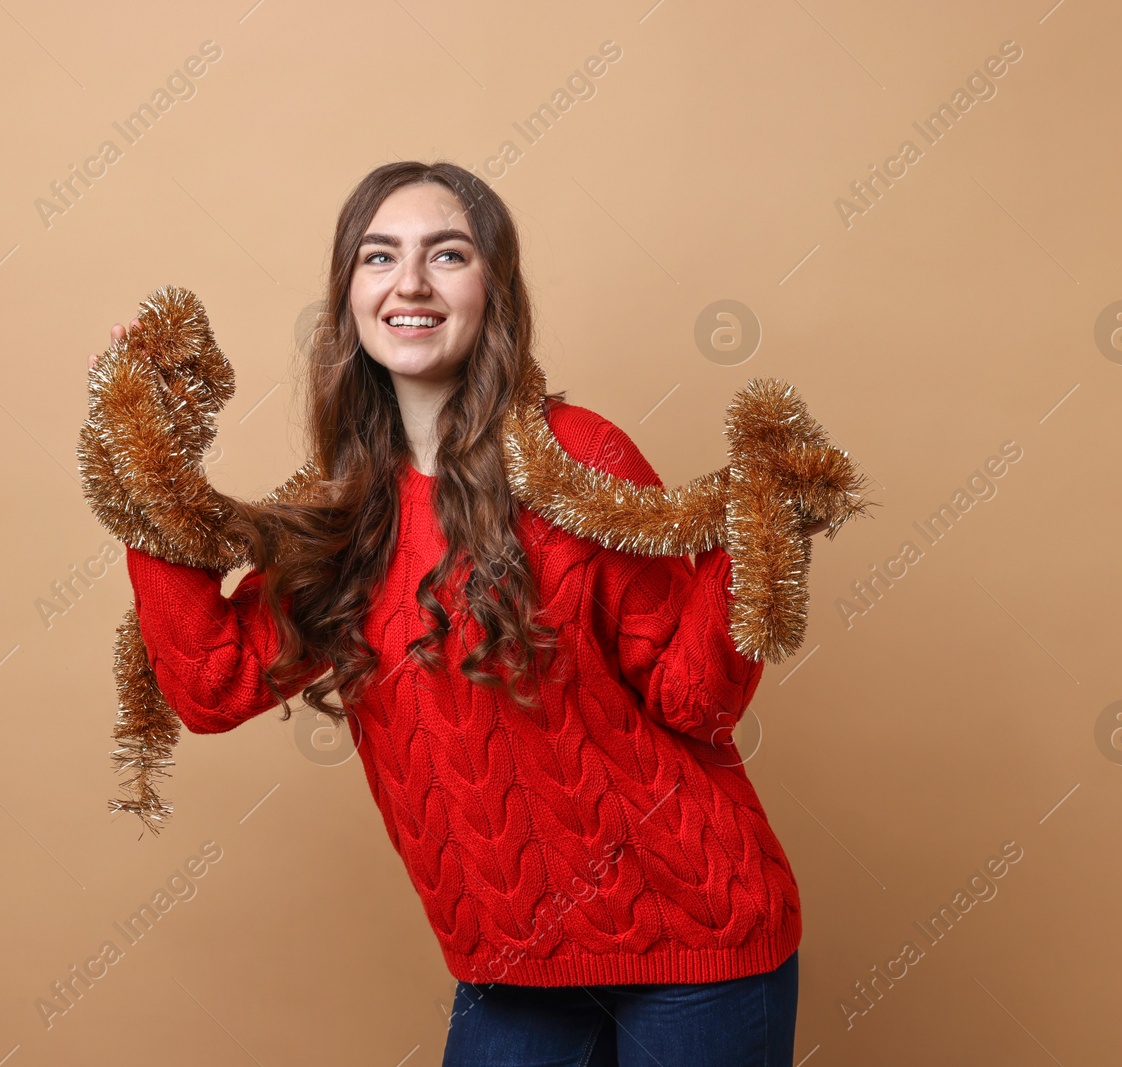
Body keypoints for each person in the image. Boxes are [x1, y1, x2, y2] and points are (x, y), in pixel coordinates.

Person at [88, 161, 819, 1065]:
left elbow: (693, 697)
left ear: (492, 292)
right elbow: (210, 683)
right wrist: (144, 460)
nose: (411, 282)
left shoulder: (576, 455)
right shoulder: (347, 514)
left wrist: (760, 540)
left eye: (449, 254)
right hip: (511, 965)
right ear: (349, 297)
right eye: (379, 256)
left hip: (697, 941)